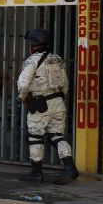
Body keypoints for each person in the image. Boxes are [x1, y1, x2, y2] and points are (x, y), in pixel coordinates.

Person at [17, 28, 77, 184]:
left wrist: (22, 97)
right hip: (58, 102)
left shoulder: (31, 61)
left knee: (35, 137)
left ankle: (36, 173)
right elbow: (65, 85)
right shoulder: (57, 59)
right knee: (57, 136)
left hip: (40, 104)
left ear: (34, 45)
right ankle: (70, 168)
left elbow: (23, 84)